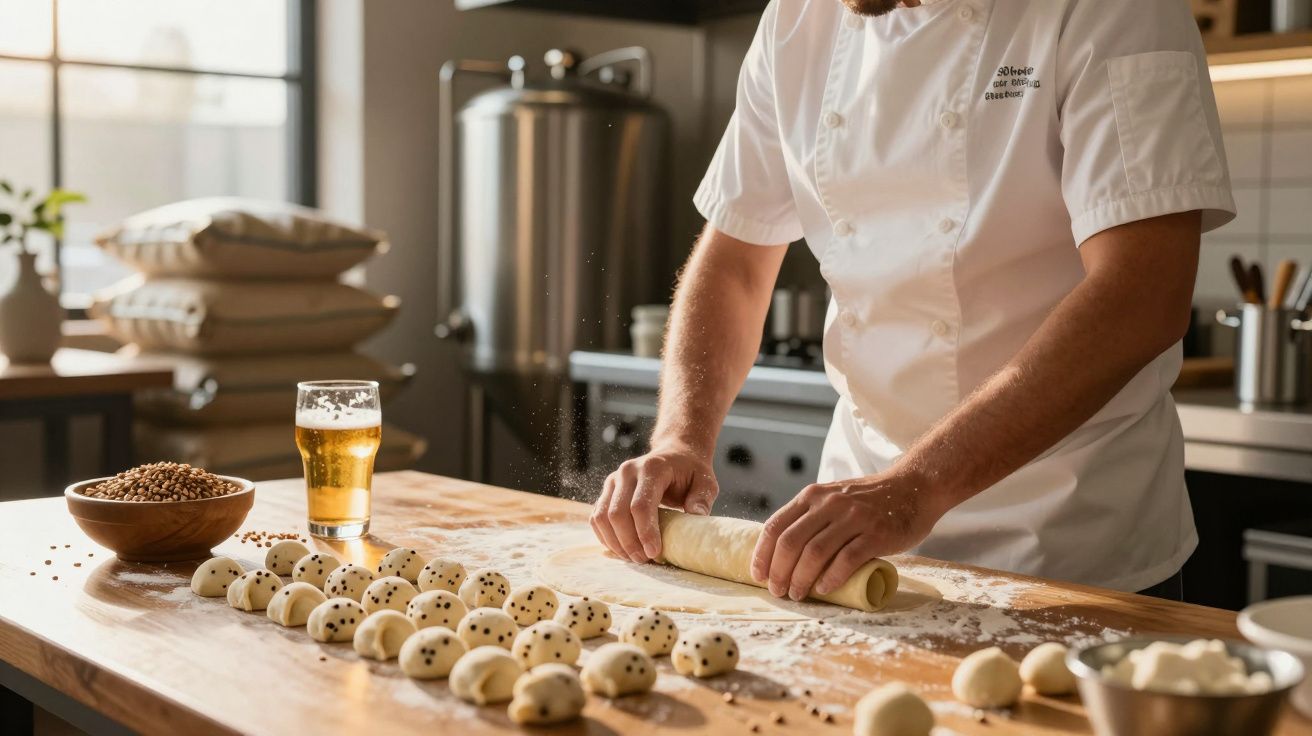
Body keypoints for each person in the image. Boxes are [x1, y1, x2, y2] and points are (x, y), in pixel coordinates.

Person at [590, 0, 1234, 603]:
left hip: (1072, 545)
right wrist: (681, 440)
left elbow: (1142, 294)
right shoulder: (796, 19)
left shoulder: (1113, 10)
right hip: (861, 540)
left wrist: (918, 484)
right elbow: (734, 263)